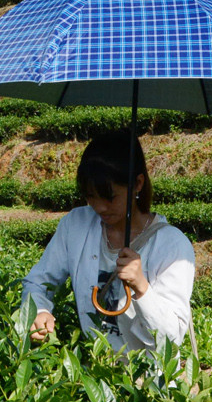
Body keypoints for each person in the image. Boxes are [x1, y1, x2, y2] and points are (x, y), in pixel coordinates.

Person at [22, 131, 194, 354]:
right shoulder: (76, 224)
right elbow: (38, 281)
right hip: (94, 376)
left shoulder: (173, 246)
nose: (100, 207)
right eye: (91, 196)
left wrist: (142, 287)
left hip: (147, 383)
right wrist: (40, 310)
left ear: (138, 184)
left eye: (110, 197)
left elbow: (171, 338)